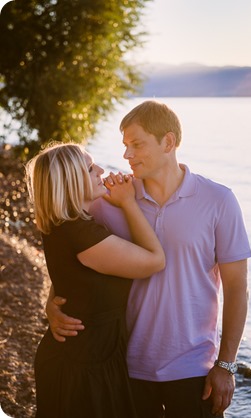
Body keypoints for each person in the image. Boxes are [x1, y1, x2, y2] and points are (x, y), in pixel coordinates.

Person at [46, 101, 251, 418]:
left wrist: (226, 364)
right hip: (125, 367)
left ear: (168, 142)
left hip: (194, 367)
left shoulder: (219, 201)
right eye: (125, 146)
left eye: (137, 144)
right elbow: (73, 251)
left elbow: (237, 287)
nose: (127, 156)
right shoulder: (112, 201)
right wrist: (53, 302)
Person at [25, 142, 165, 418]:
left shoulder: (64, 225)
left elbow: (71, 275)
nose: (101, 170)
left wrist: (50, 303)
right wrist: (127, 203)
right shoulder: (81, 234)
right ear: (71, 182)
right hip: (82, 366)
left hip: (86, 357)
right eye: (90, 169)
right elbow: (155, 261)